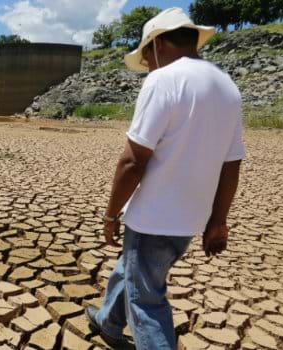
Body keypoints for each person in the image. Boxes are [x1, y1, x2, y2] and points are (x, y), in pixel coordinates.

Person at [84, 7, 245, 350]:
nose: (147, 65)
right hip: (190, 221)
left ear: (158, 43)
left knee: (147, 301)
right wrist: (218, 221)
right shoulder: (227, 86)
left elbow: (132, 160)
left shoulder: (164, 79)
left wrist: (111, 215)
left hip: (154, 219)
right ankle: (109, 323)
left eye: (146, 57)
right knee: (133, 269)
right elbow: (232, 164)